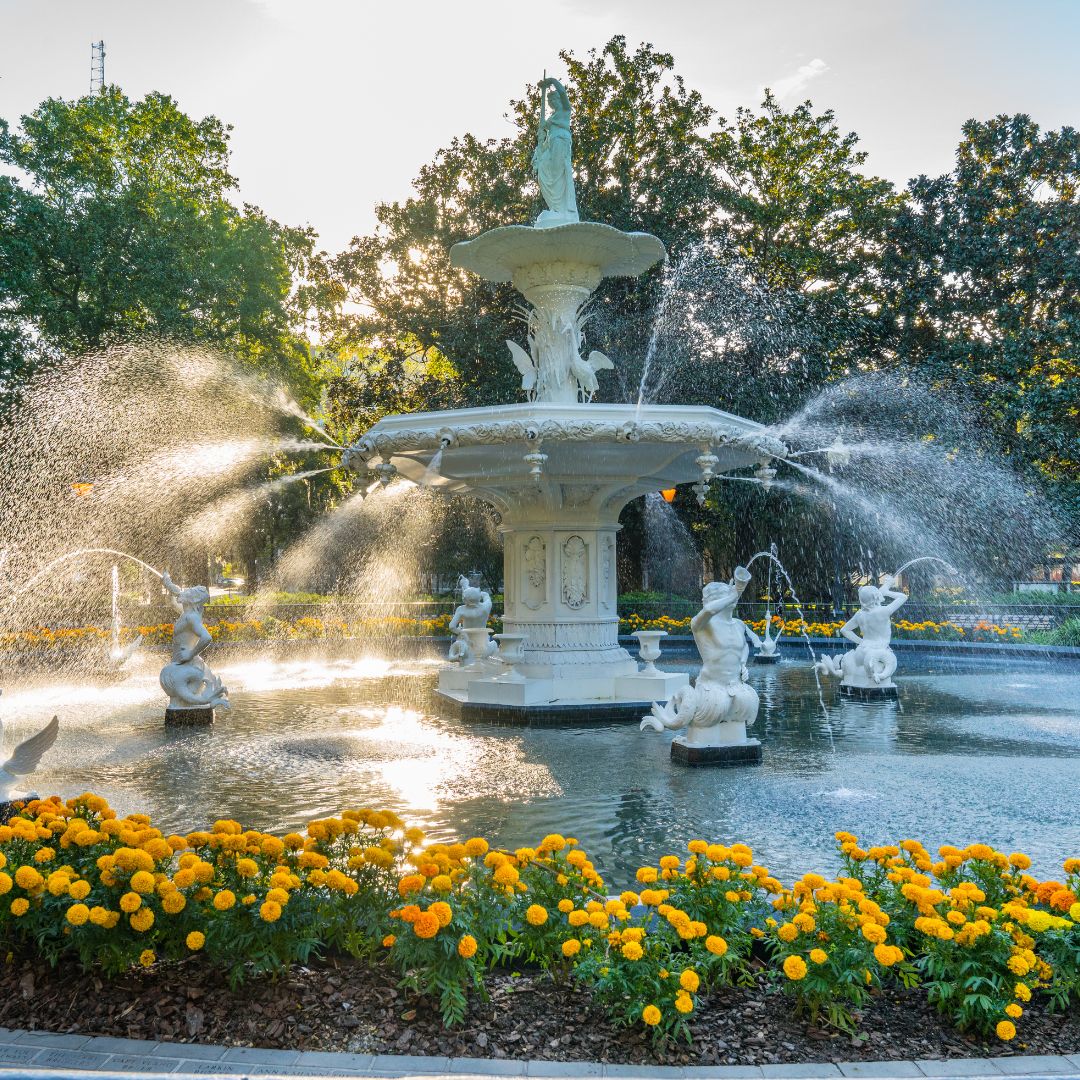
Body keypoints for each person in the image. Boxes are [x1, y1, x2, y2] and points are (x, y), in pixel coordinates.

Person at [532, 78, 578, 225]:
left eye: (554, 100)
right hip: (551, 143)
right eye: (550, 102)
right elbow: (544, 133)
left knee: (557, 173)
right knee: (545, 173)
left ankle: (561, 209)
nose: (552, 103)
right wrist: (542, 131)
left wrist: (551, 81)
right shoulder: (552, 117)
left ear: (559, 100)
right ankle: (556, 208)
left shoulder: (565, 110)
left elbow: (563, 92)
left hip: (561, 140)